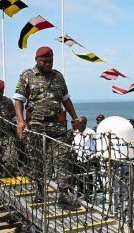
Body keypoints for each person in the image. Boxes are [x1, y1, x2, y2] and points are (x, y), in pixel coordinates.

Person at [14, 46, 81, 210]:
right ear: (37, 60)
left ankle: (63, 195)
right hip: (36, 127)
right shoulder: (27, 76)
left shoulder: (58, 76)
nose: (48, 64)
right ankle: (39, 190)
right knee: (37, 160)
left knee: (62, 160)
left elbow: (66, 99)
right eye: (45, 61)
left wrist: (75, 117)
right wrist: (21, 121)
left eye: (50, 61)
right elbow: (18, 100)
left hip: (58, 129)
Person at [72, 116, 96, 198]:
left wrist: (94, 155)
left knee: (88, 178)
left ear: (85, 123)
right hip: (77, 158)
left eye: (81, 123)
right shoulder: (75, 132)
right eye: (78, 123)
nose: (79, 124)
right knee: (79, 178)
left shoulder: (91, 132)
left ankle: (89, 195)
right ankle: (80, 193)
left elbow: (97, 144)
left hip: (88, 159)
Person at [0, 80, 17, 177]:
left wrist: (17, 130)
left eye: (1, 91)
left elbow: (14, 117)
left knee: (11, 158)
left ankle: (5, 176)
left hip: (6, 135)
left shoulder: (8, 102)